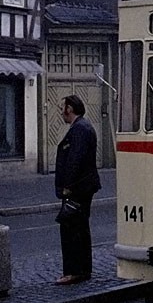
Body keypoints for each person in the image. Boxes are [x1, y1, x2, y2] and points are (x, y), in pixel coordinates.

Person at [55, 94, 101, 285]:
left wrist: (67, 187)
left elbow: (75, 159)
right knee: (80, 228)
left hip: (78, 188)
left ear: (70, 109)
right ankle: (82, 270)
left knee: (71, 229)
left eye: (63, 108)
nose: (61, 112)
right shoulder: (83, 127)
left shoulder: (80, 129)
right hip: (83, 186)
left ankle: (74, 271)